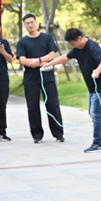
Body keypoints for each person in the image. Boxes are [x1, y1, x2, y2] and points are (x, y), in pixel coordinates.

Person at [42, 28, 101, 153]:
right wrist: (50, 64)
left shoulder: (93, 47)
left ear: (80, 38)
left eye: (73, 43)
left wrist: (97, 71)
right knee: (93, 113)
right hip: (92, 88)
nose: (72, 46)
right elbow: (65, 57)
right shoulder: (77, 49)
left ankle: (98, 143)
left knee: (95, 113)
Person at [16, 14, 64, 143]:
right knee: (32, 107)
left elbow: (51, 54)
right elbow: (22, 60)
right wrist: (39, 63)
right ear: (25, 25)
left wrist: (38, 61)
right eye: (27, 23)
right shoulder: (22, 42)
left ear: (36, 23)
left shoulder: (46, 38)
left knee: (53, 105)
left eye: (32, 22)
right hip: (31, 79)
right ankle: (37, 135)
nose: (30, 25)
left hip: (47, 77)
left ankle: (58, 133)